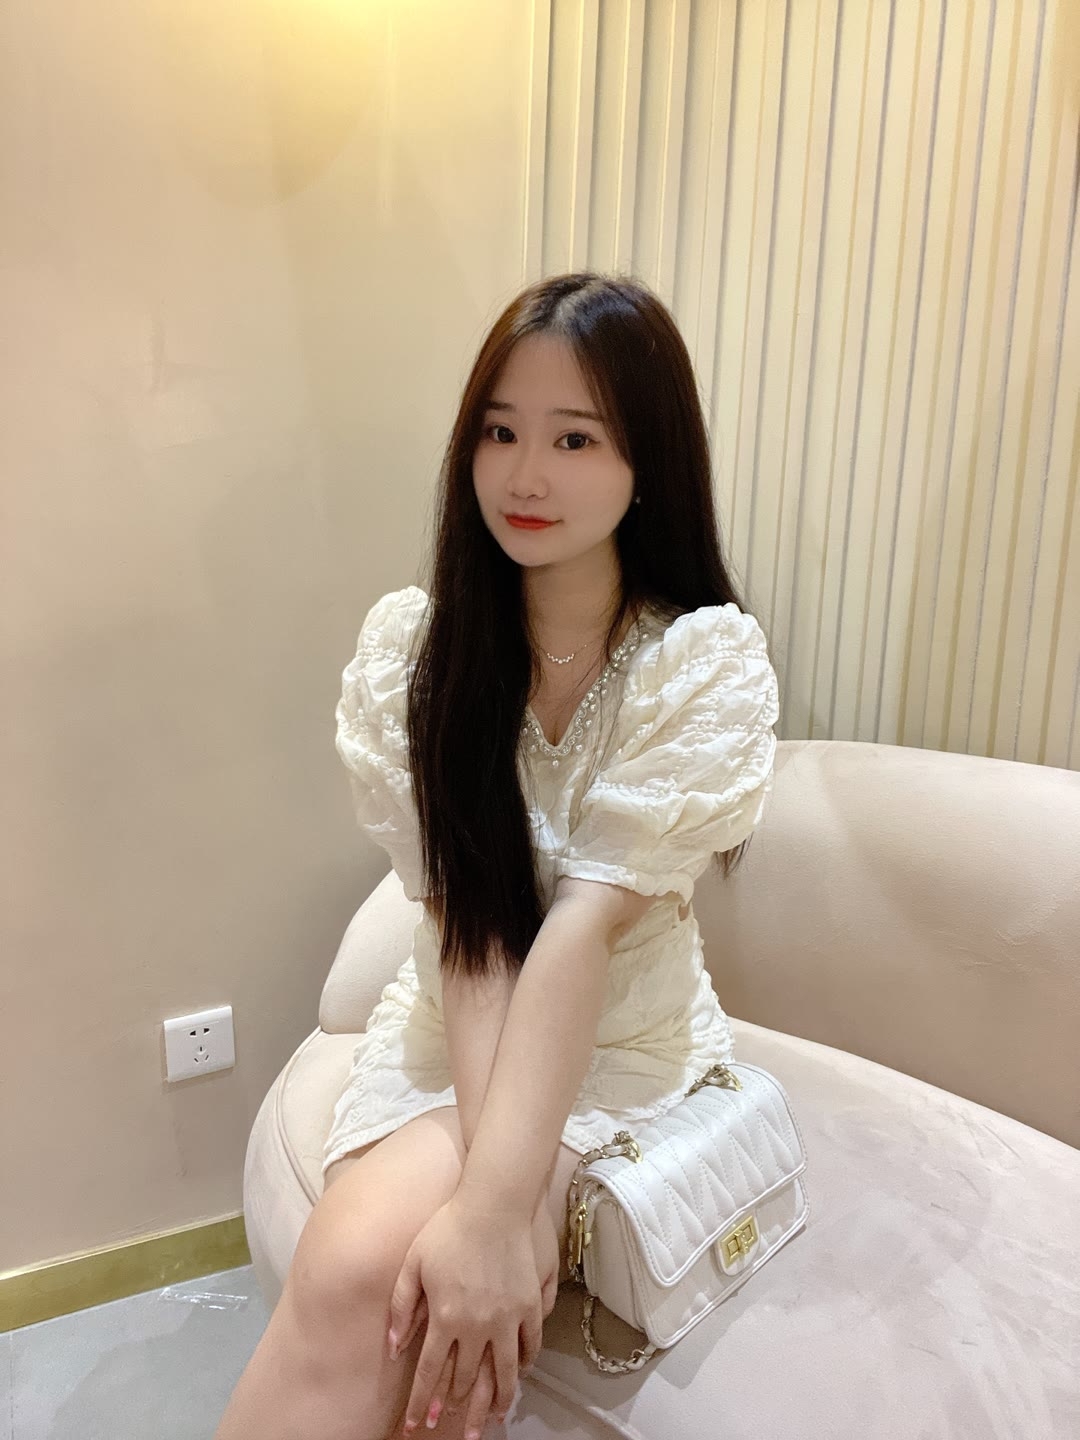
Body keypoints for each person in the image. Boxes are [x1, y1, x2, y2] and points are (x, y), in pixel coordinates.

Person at [214, 271, 780, 1440]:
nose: (525, 476)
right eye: (499, 431)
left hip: (618, 1043)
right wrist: (490, 1203)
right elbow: (469, 937)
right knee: (368, 1270)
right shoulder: (416, 653)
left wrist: (497, 1208)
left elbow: (579, 934)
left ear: (648, 460)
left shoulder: (700, 667)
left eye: (575, 438)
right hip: (457, 1029)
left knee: (405, 1282)